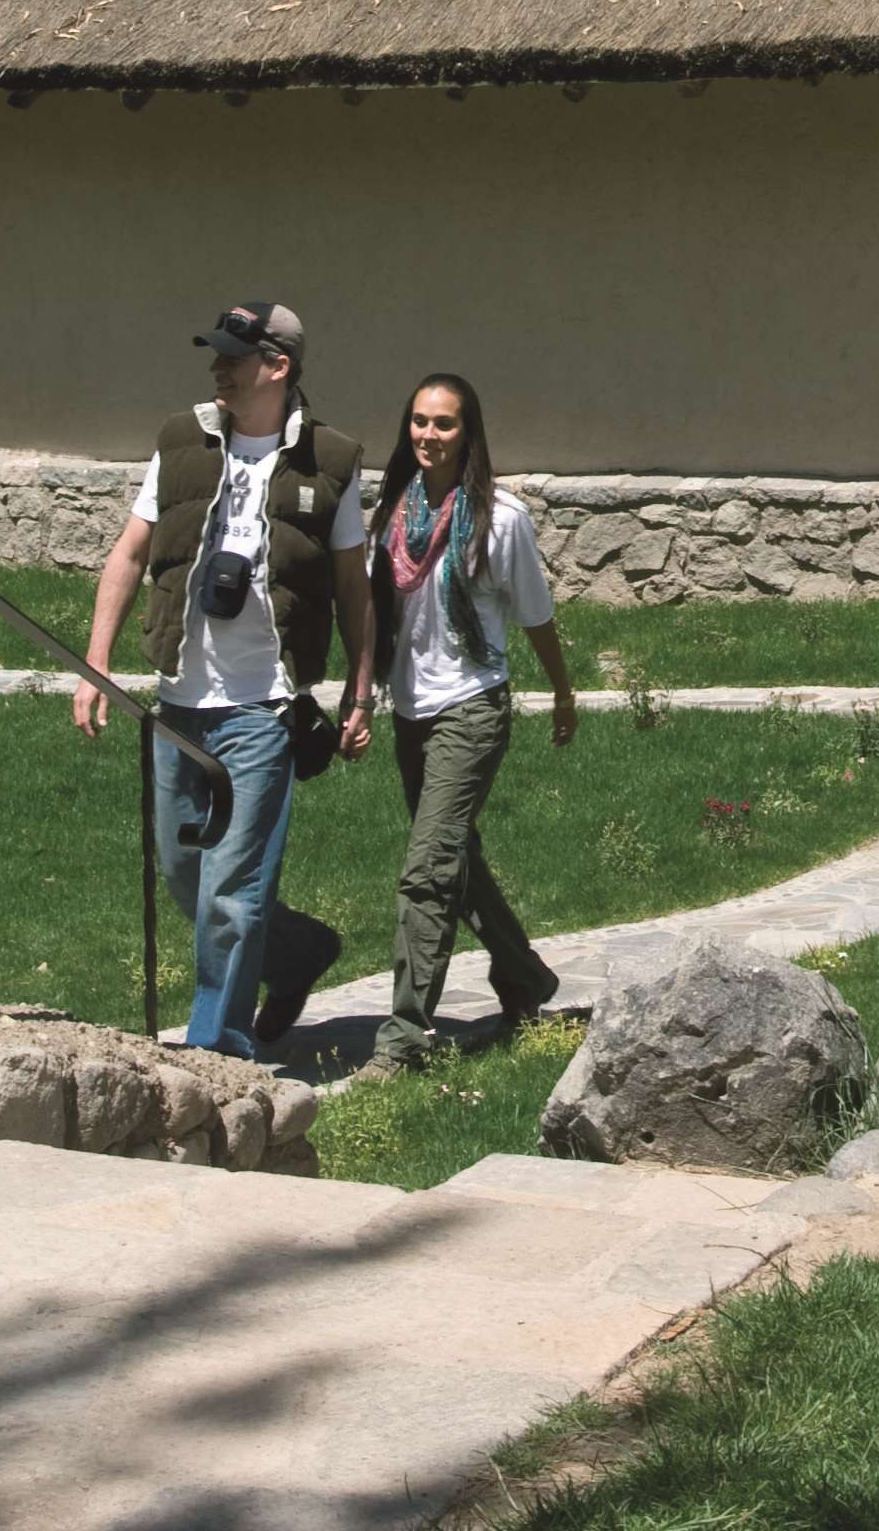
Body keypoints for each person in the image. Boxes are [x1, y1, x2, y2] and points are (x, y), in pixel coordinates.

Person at [73, 302, 374, 1058]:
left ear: (277, 367)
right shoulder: (182, 442)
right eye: (215, 355)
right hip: (180, 705)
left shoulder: (330, 461)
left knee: (230, 898)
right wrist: (95, 662)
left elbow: (353, 586)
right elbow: (129, 554)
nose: (217, 368)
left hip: (263, 711)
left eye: (234, 358)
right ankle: (300, 953)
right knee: (186, 880)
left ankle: (214, 1055)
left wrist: (360, 691)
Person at [361, 372, 577, 1074]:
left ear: (468, 433)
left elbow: (536, 615)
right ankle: (524, 978)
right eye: (420, 421)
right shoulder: (391, 513)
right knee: (456, 859)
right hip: (411, 709)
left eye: (444, 424)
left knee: (427, 871)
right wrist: (358, 696)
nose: (429, 434)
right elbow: (374, 615)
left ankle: (403, 1039)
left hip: (473, 705)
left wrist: (563, 694)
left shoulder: (500, 518)